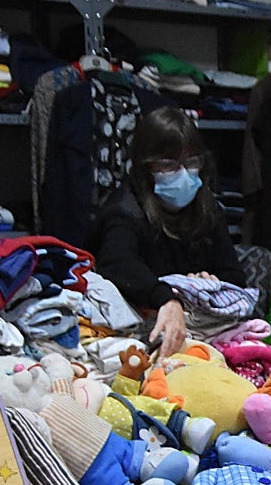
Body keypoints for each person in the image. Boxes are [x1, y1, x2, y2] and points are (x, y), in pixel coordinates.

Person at [88, 106, 248, 359]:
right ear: (145, 167)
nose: (183, 173)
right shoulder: (124, 211)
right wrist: (166, 298)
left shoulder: (206, 207)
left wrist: (211, 284)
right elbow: (117, 263)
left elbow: (234, 274)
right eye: (169, 164)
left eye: (192, 162)